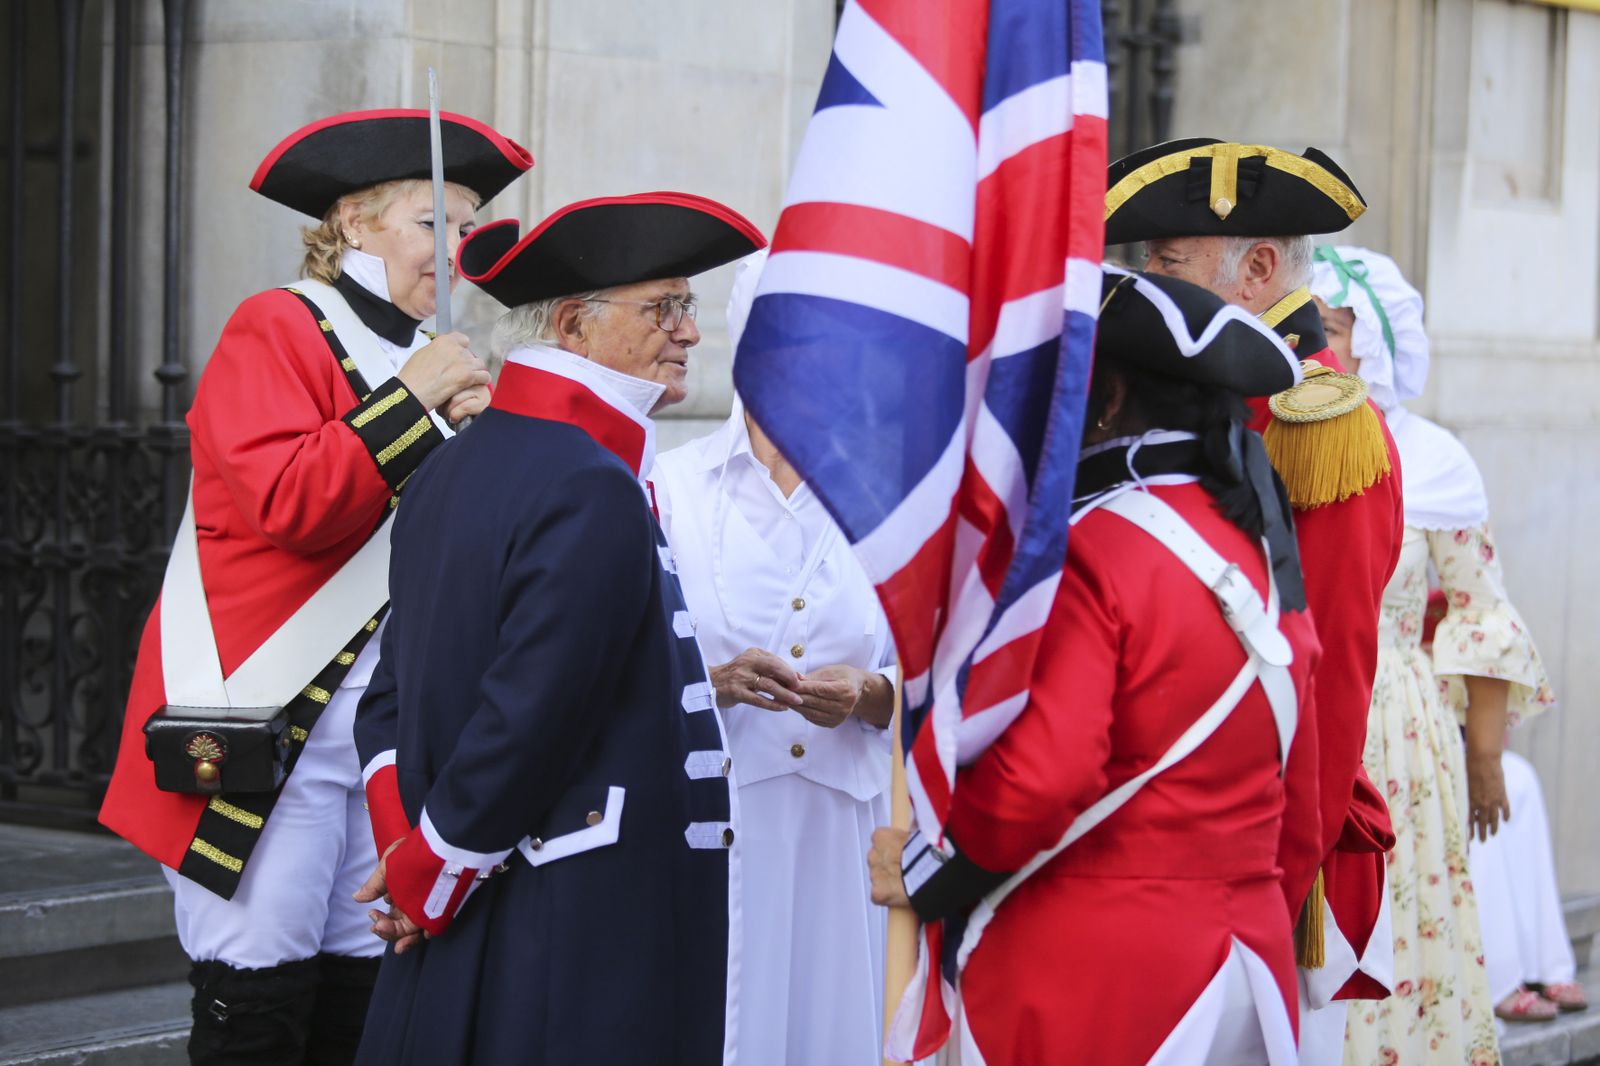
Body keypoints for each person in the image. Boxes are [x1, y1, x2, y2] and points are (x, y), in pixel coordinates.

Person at [96, 109, 531, 1064]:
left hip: (380, 735)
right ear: (353, 220)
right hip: (270, 719)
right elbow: (289, 504)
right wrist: (415, 402)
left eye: (466, 228)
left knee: (359, 1000)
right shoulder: (279, 323)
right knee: (257, 1001)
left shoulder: (432, 361)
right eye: (433, 223)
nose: (455, 250)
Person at [349, 192, 766, 1065]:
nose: (690, 332)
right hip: (571, 921)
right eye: (665, 308)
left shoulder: (451, 465)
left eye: (688, 307)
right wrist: (427, 876)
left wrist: (409, 849)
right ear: (575, 324)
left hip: (483, 879)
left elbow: (389, 699)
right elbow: (524, 718)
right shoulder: (590, 482)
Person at [870, 267, 1319, 1063]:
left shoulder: (1089, 550)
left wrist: (925, 870)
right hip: (1246, 960)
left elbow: (1040, 781)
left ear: (1106, 399)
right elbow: (1300, 797)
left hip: (1101, 970)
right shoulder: (1262, 556)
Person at [1106, 139, 1404, 1065]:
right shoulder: (1180, 399)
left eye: (1168, 262)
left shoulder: (1319, 424)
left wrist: (1274, 878)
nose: (1147, 285)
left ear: (1259, 268)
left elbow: (1329, 673)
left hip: (1265, 851)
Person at [1310, 245, 1560, 1054]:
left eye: (1330, 329)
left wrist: (1483, 758)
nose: (1310, 343)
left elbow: (1482, 611)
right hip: (1301, 702)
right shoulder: (1276, 437)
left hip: (1395, 728)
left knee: (1395, 914)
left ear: (1373, 346)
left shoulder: (1432, 461)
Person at [650, 248, 895, 1065]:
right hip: (716, 826)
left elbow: (943, 669)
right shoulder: (670, 488)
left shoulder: (895, 494)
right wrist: (711, 683)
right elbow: (621, 656)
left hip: (844, 837)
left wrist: (872, 691)